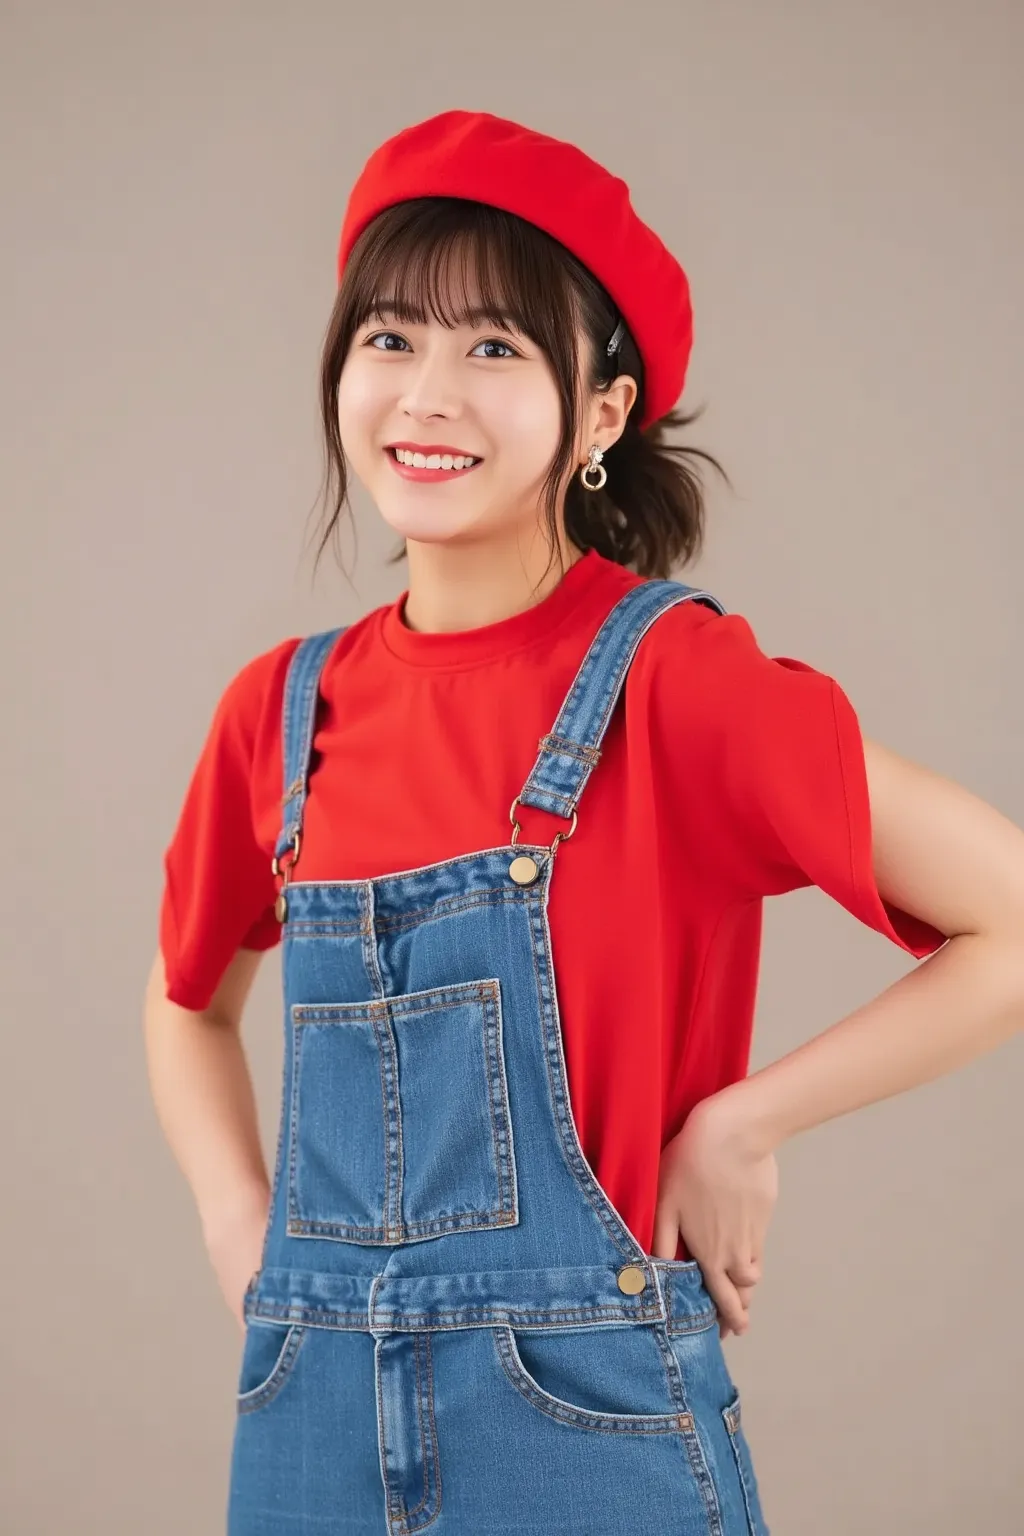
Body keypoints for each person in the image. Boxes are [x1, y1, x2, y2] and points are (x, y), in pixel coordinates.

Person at [143, 108, 1024, 1535]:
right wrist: (240, 1224)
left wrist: (743, 1122)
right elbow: (184, 1001)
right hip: (302, 1427)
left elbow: (1010, 917)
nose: (427, 395)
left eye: (494, 347)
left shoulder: (672, 684)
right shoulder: (281, 711)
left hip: (579, 1425)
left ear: (602, 411)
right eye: (388, 339)